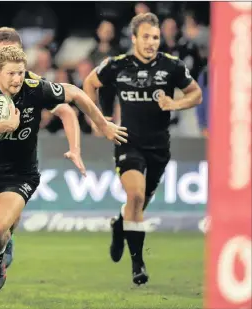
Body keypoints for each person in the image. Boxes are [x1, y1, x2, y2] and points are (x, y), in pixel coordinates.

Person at [0, 45, 127, 309]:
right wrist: (4, 125)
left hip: (20, 175)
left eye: (20, 73)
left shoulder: (35, 88)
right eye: (11, 74)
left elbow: (75, 93)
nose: (17, 79)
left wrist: (102, 125)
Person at [0, 27, 85, 292]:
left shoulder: (32, 82)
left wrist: (75, 147)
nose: (6, 58)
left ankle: (2, 245)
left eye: (12, 54)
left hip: (19, 168)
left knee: (1, 223)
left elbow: (66, 111)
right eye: (1, 54)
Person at [83, 12, 202, 285]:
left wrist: (175, 104)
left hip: (159, 147)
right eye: (146, 37)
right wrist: (100, 121)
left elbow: (196, 94)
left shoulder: (171, 66)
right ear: (134, 38)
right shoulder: (118, 65)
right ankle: (138, 265)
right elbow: (90, 83)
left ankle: (118, 225)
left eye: (156, 37)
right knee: (135, 196)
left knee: (137, 204)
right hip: (129, 142)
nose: (151, 42)